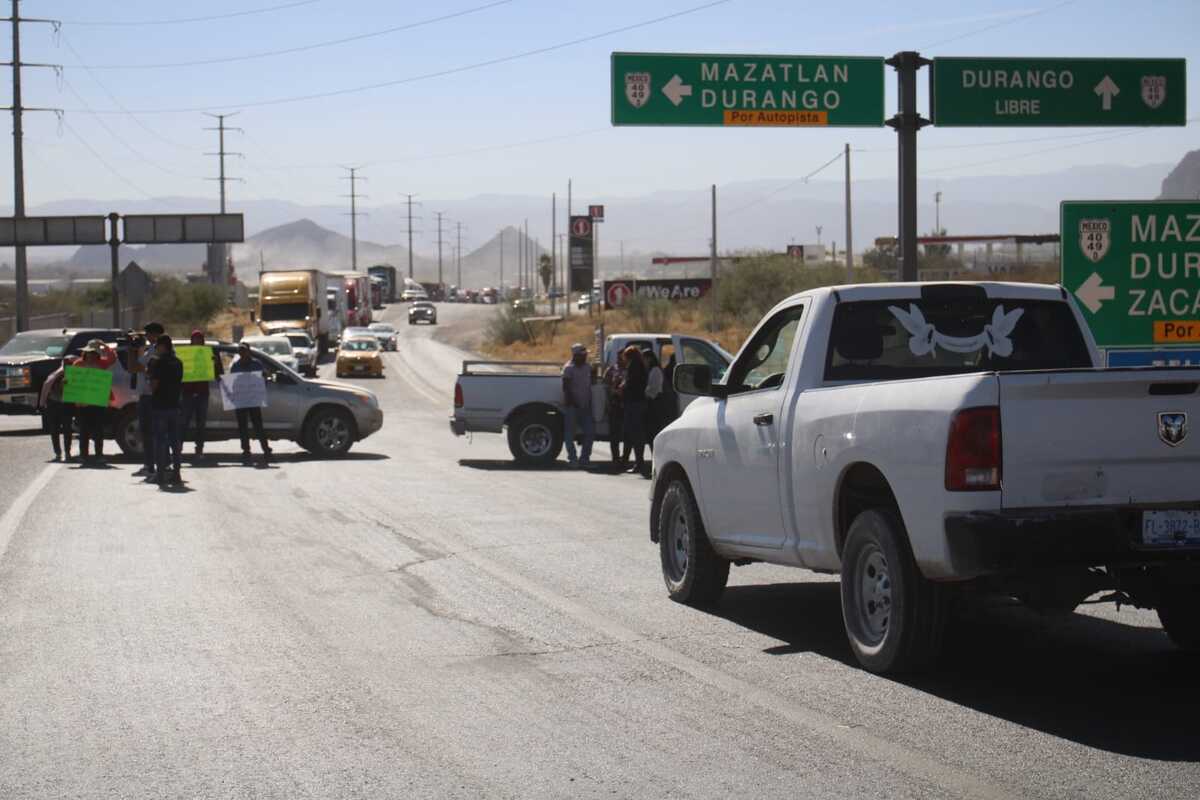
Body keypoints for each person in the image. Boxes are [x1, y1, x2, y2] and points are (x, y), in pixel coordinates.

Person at [127, 322, 165, 479]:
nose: (147, 336)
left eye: (148, 334)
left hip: (154, 396)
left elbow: (144, 368)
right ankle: (149, 466)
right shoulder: (149, 349)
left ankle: (161, 466)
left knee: (156, 434)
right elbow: (132, 367)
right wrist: (132, 349)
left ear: (156, 334)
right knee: (147, 433)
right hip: (144, 395)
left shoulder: (160, 351)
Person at [178, 329, 223, 459]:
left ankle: (199, 449)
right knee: (184, 422)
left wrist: (214, 363)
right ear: (191, 341)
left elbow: (218, 375)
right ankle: (178, 448)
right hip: (187, 393)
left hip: (203, 394)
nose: (197, 341)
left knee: (201, 423)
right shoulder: (186, 355)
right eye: (195, 339)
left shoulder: (209, 354)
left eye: (199, 339)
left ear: (202, 341)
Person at [148, 335, 184, 487]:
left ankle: (161, 474)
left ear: (163, 346)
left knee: (160, 441)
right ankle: (177, 474)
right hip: (174, 405)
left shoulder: (157, 362)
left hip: (160, 405)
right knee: (175, 442)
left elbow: (154, 385)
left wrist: (150, 377)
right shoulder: (178, 362)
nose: (156, 348)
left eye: (157, 346)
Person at [230, 342, 272, 466]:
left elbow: (265, 377)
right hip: (241, 401)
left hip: (254, 400)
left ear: (249, 351)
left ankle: (266, 449)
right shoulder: (235, 366)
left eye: (244, 350)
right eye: (240, 351)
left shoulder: (257, 364)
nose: (242, 353)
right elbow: (232, 383)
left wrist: (264, 378)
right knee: (242, 427)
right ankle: (246, 451)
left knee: (258, 426)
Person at [72, 341, 111, 465]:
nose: (90, 355)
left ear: (97, 354)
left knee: (98, 430)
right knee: (84, 430)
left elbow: (112, 358)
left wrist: (103, 345)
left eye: (93, 353)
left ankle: (99, 455)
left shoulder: (102, 364)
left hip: (98, 401)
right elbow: (72, 380)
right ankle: (83, 455)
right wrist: (67, 383)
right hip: (83, 402)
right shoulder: (78, 364)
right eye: (88, 353)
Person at [561, 342, 594, 468]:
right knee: (569, 434)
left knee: (590, 433)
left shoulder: (587, 367)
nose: (585, 356)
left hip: (586, 406)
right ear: (576, 355)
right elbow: (566, 388)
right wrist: (574, 403)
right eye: (583, 355)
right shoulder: (568, 368)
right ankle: (572, 458)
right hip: (572, 407)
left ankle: (584, 459)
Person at [620, 344, 648, 475]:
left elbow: (631, 385)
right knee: (634, 434)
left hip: (634, 403)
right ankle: (635, 461)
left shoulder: (634, 367)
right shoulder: (640, 365)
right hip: (637, 402)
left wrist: (622, 388)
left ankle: (638, 463)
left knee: (634, 434)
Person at [39, 362, 73, 462]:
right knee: (54, 430)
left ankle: (67, 452)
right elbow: (46, 386)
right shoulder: (55, 375)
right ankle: (58, 453)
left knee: (67, 429)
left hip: (66, 405)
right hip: (54, 404)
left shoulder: (75, 375)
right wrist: (42, 403)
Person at [602, 348, 627, 466]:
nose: (620, 359)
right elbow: (605, 387)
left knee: (627, 434)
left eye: (622, 357)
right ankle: (615, 458)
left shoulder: (630, 370)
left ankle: (625, 458)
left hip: (626, 405)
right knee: (614, 435)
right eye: (618, 357)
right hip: (614, 405)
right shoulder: (611, 370)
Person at [643, 349, 665, 451]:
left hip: (655, 402)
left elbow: (654, 389)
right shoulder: (650, 370)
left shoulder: (656, 370)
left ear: (650, 358)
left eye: (645, 359)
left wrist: (645, 393)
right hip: (652, 401)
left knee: (654, 430)